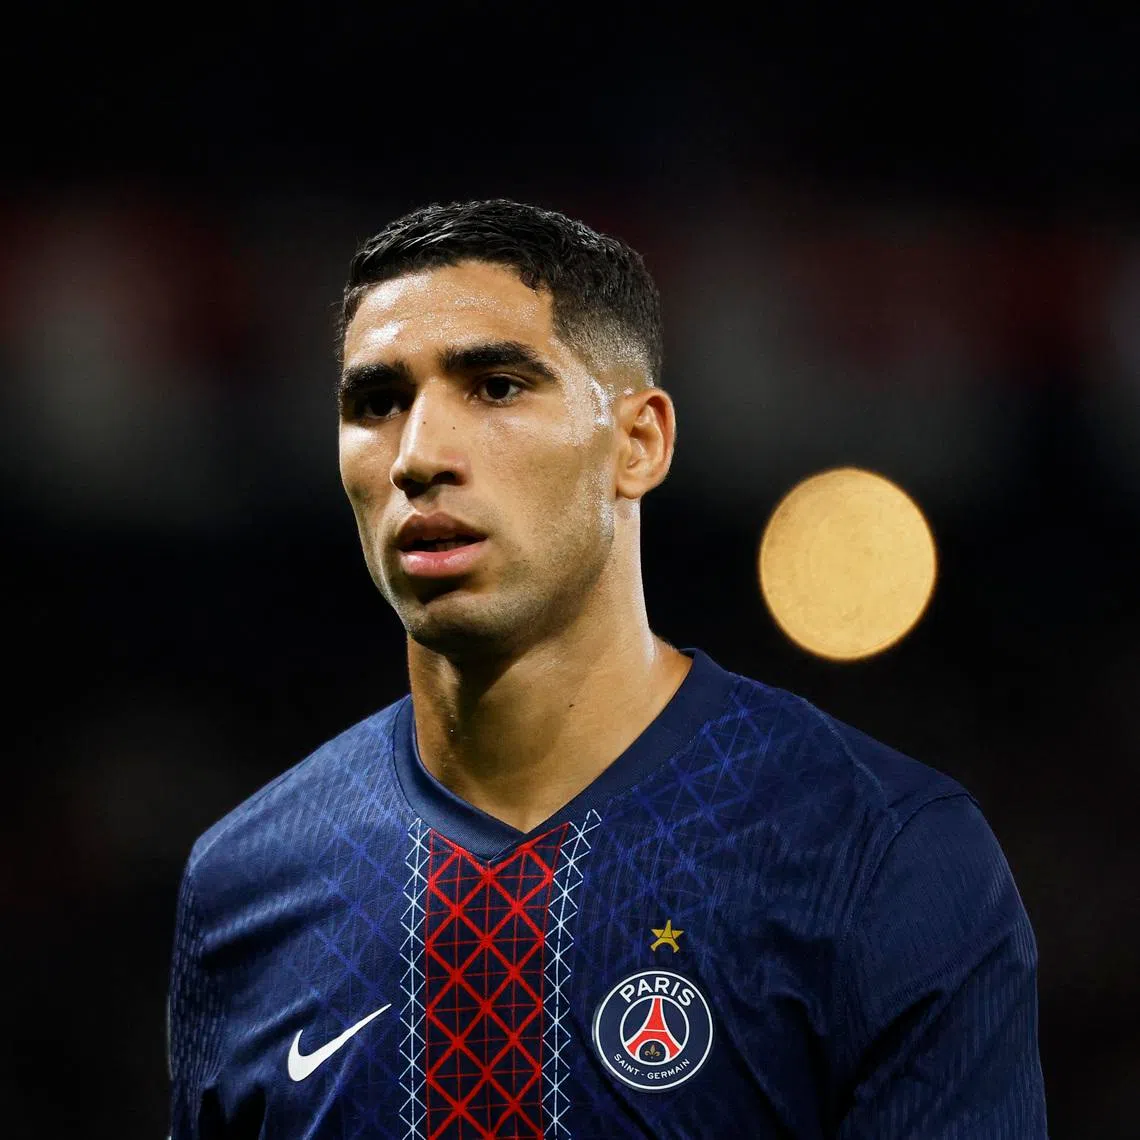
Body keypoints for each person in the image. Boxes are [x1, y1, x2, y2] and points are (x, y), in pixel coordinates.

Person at [168, 199, 1048, 1138]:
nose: (419, 456)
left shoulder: (876, 851)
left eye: (497, 386)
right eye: (377, 402)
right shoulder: (244, 886)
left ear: (639, 443)